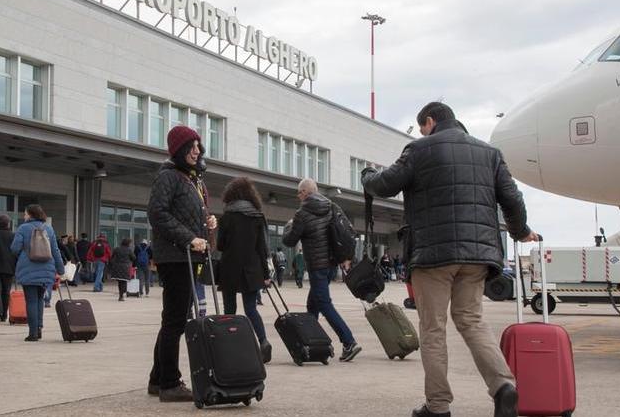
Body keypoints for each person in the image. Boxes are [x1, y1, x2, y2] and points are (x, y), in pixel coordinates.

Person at [362, 101, 537, 417]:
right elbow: (513, 199)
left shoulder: (419, 150)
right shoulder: (489, 153)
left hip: (433, 256)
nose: (421, 133)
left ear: (429, 121)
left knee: (433, 328)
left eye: (422, 127)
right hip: (478, 255)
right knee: (471, 321)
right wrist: (520, 231)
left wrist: (367, 175)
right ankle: (503, 386)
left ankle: (438, 406)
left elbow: (385, 185)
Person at [147, 125, 217, 402]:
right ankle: (170, 383)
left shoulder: (192, 179)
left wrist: (208, 223)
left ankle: (157, 379)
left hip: (188, 256)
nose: (196, 151)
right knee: (176, 321)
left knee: (172, 320)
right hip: (175, 257)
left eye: (198, 146)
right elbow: (158, 214)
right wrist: (190, 238)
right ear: (178, 149)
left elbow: (187, 214)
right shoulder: (169, 177)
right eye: (191, 146)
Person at [283, 178, 362, 362]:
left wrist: (289, 224)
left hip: (317, 267)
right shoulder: (331, 206)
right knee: (313, 305)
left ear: (306, 193)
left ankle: (349, 341)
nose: (298, 195)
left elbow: (289, 240)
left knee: (324, 304)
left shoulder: (302, 213)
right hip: (330, 266)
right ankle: (310, 343)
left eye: (299, 192)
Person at [217, 177, 273, 363]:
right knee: (251, 308)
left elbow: (221, 245)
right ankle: (263, 342)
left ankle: (231, 346)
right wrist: (266, 274)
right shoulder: (257, 216)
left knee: (229, 309)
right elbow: (262, 248)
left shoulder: (227, 216)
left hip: (230, 268)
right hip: (252, 269)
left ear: (231, 194)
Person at [10, 204, 65, 342]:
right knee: (40, 299)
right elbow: (55, 250)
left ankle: (32, 332)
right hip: (46, 268)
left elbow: (15, 248)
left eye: (25, 214)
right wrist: (60, 269)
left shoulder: (23, 228)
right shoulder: (48, 228)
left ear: (30, 214)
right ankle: (39, 328)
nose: (24, 216)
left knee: (31, 300)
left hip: (28, 268)